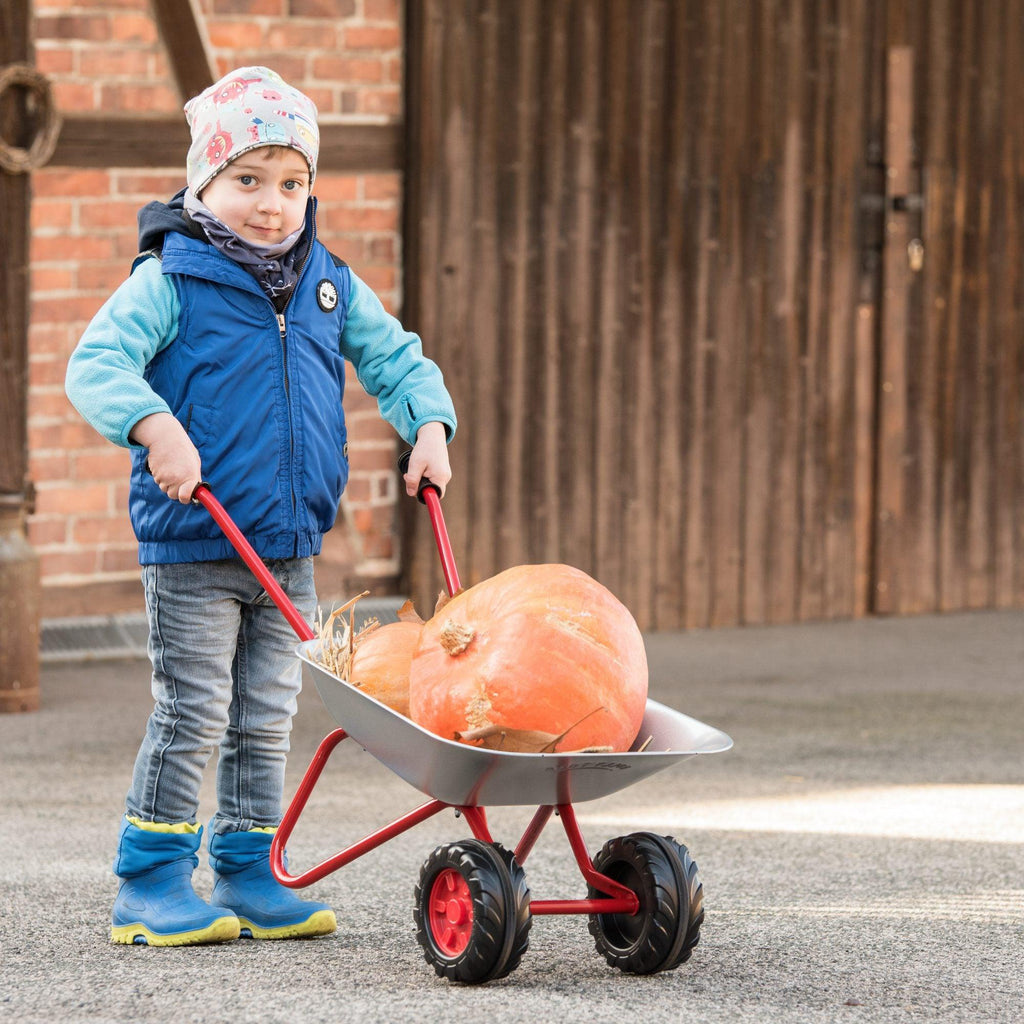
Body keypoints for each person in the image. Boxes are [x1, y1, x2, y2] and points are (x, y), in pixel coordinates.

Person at [65, 67, 456, 947]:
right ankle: (153, 880)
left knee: (267, 714)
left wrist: (427, 421)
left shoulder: (327, 283)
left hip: (286, 548)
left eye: (292, 182)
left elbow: (394, 358)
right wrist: (153, 425)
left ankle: (248, 870)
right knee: (193, 710)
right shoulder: (171, 278)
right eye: (247, 180)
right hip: (198, 543)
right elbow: (95, 366)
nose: (271, 205)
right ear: (203, 182)